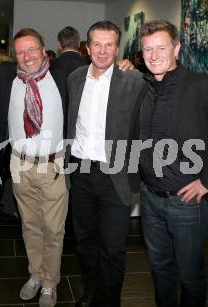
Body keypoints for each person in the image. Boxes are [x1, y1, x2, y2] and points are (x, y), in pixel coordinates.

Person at [138, 20, 208, 307]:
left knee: (190, 276)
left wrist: (207, 181)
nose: (153, 56)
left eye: (161, 48)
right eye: (147, 49)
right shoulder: (143, 86)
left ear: (176, 48)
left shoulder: (203, 86)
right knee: (160, 269)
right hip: (149, 199)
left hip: (185, 203)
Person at [66, 21, 146, 306]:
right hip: (81, 171)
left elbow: (141, 129)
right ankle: (90, 292)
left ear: (118, 47)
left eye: (109, 44)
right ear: (87, 47)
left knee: (112, 248)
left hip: (116, 176)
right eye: (96, 44)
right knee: (85, 243)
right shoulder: (75, 78)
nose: (102, 50)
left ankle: (109, 300)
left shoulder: (134, 81)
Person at [0, 28, 68, 307]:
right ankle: (35, 275)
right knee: (30, 226)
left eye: (32, 49)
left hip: (52, 166)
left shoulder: (62, 77)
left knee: (53, 229)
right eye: (20, 51)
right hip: (20, 165)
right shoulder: (6, 77)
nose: (26, 57)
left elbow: (100, 73)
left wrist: (128, 67)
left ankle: (50, 283)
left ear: (44, 49)